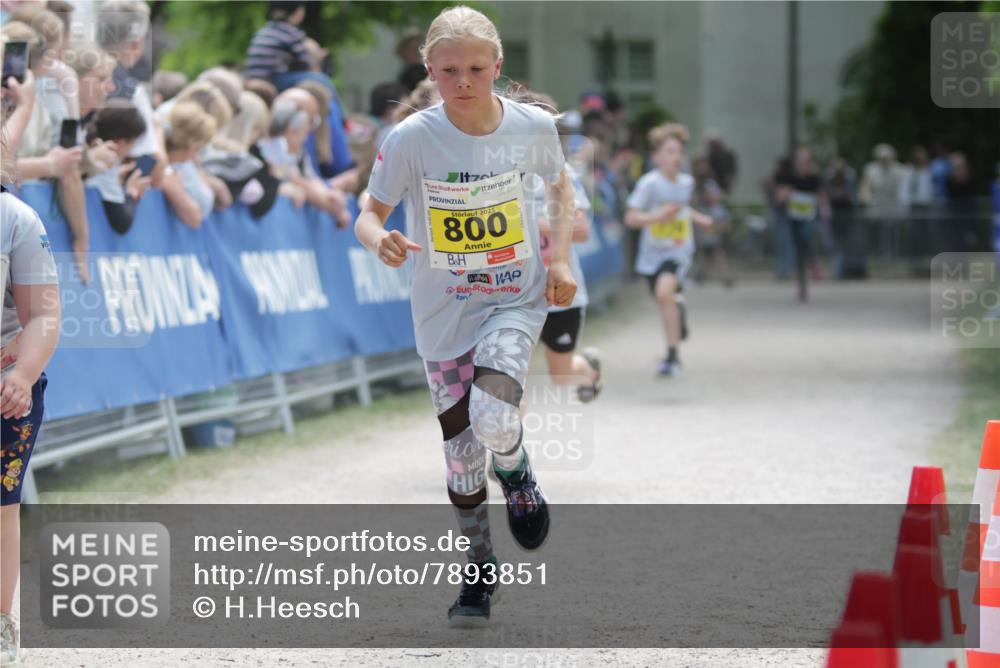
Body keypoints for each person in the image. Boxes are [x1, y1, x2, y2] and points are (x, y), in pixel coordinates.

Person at [354, 5, 577, 626]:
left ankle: (518, 471)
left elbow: (560, 190)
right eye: (449, 70)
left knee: (495, 418)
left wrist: (560, 262)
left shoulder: (532, 127)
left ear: (498, 67)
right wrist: (381, 239)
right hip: (443, 310)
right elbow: (366, 212)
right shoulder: (411, 138)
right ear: (430, 69)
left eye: (477, 68)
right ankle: (479, 567)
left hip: (513, 296)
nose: (464, 82)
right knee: (460, 455)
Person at [0, 58, 61, 662]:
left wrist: (21, 373)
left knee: (0, 505)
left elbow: (43, 313)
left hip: (4, 384)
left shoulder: (16, 219)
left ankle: (1, 624)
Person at [512, 88, 602, 402]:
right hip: (514, 291)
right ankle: (508, 450)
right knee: (512, 378)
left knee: (561, 374)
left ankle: (588, 369)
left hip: (561, 292)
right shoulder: (495, 173)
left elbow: (581, 231)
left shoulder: (562, 175)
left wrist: (531, 224)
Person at [624, 122, 713, 376]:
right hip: (652, 254)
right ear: (657, 157)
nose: (676, 157)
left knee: (664, 294)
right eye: (670, 151)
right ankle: (678, 307)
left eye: (679, 152)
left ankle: (673, 357)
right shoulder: (649, 184)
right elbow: (631, 219)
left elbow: (681, 209)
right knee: (665, 300)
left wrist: (698, 218)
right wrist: (657, 217)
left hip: (678, 250)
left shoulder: (686, 182)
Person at [774, 146, 831, 302]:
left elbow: (821, 195)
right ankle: (803, 283)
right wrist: (786, 194)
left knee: (808, 236)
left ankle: (814, 264)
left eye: (806, 161)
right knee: (799, 250)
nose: (803, 164)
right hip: (794, 219)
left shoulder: (814, 178)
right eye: (801, 161)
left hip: (809, 218)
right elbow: (779, 197)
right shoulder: (789, 178)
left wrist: (825, 209)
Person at [85, 101, 151, 234]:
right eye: (133, 143)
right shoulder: (107, 160)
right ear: (122, 142)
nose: (132, 150)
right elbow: (121, 222)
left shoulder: (92, 144)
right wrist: (131, 192)